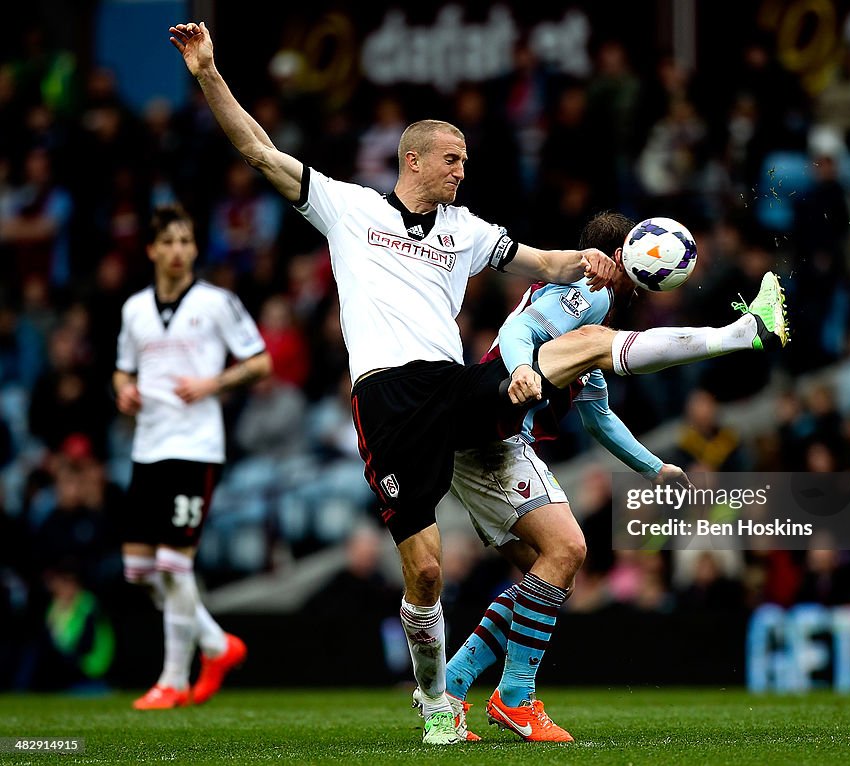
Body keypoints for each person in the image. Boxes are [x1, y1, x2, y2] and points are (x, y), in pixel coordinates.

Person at [169, 21, 787, 744]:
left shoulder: (465, 230)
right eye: (452, 160)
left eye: (464, 161)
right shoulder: (350, 209)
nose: (462, 171)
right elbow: (257, 149)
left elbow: (541, 264)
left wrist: (584, 263)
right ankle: (438, 697)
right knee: (426, 574)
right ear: (415, 159)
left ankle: (739, 334)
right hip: (387, 399)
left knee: (584, 352)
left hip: (457, 388)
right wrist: (209, 72)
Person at [433, 212, 786, 742]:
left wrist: (654, 466)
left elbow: (598, 417)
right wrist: (525, 368)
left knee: (545, 574)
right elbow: (517, 329)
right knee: (569, 551)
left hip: (482, 437)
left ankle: (455, 683)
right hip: (491, 419)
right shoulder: (589, 291)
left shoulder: (583, 328)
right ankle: (514, 697)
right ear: (624, 256)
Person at [114, 204, 272, 709]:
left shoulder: (217, 302)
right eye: (169, 242)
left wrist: (213, 382)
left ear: (195, 248)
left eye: (186, 241)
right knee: (140, 571)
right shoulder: (134, 309)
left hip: (195, 447)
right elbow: (122, 369)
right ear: (152, 250)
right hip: (148, 446)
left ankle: (173, 680)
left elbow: (260, 361)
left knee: (174, 565)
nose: (178, 251)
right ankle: (216, 644)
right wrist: (124, 390)